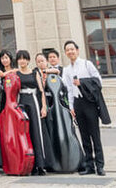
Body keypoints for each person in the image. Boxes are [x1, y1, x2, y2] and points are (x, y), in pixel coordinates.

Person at [62, 40, 109, 176]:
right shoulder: (67, 70)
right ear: (65, 53)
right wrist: (71, 107)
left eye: (72, 49)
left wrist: (82, 82)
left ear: (77, 50)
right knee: (84, 136)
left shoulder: (86, 64)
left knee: (95, 135)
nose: (70, 52)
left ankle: (100, 165)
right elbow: (69, 90)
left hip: (89, 103)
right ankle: (89, 165)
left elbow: (98, 81)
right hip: (78, 103)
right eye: (67, 50)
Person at [38, 52, 82, 173]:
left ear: (57, 58)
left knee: (69, 130)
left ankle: (77, 159)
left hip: (62, 103)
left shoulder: (62, 70)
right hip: (49, 104)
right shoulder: (39, 74)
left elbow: (67, 86)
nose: (51, 59)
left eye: (54, 57)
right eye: (50, 57)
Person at [15, 50, 50, 176]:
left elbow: (41, 91)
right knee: (25, 134)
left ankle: (40, 165)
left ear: (28, 60)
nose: (22, 61)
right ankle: (29, 164)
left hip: (34, 102)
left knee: (37, 132)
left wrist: (44, 107)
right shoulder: (16, 74)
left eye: (24, 58)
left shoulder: (35, 72)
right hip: (22, 104)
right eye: (20, 59)